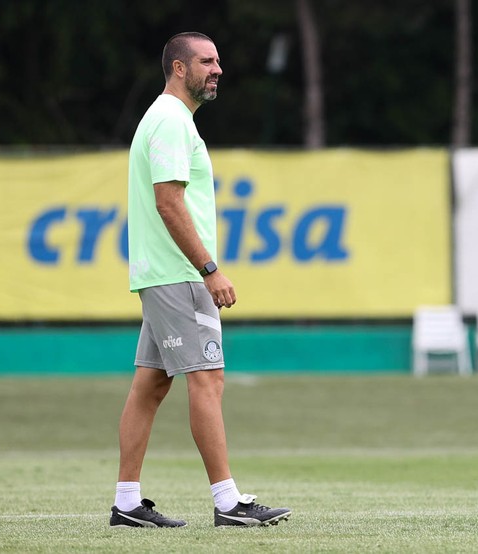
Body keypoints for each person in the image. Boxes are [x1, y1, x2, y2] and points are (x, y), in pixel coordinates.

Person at [109, 32, 291, 528]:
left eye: (218, 61)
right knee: (208, 379)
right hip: (180, 276)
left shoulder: (169, 119)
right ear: (179, 69)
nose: (218, 69)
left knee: (149, 386)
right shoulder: (170, 120)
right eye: (206, 61)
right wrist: (209, 269)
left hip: (162, 274)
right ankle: (229, 502)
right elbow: (169, 201)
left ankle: (126, 503)